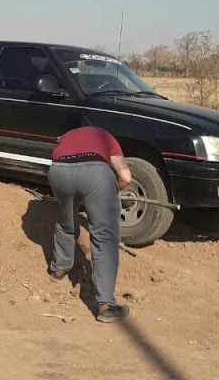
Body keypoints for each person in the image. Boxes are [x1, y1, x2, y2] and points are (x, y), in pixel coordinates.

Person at [47, 126, 132, 323]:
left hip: (59, 170)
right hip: (96, 173)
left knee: (66, 220)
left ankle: (58, 270)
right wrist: (109, 192)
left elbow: (57, 154)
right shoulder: (107, 136)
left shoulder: (66, 136)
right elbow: (126, 177)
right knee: (104, 236)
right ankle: (105, 306)